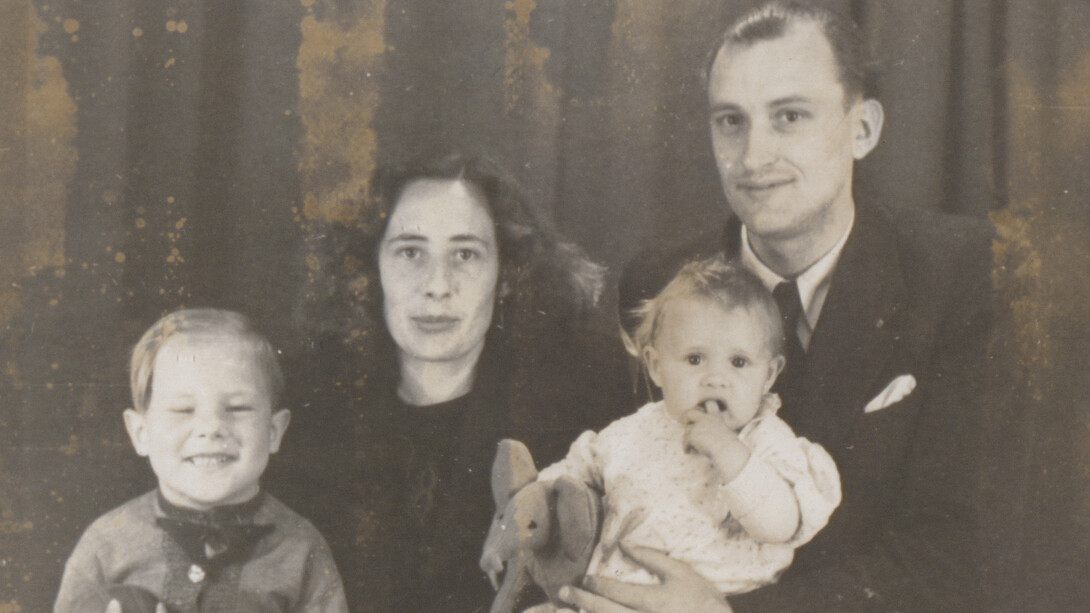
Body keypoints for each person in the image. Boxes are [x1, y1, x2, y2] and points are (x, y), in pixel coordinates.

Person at [572, 2, 995, 612]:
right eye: (730, 121)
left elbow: (954, 556)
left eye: (789, 116)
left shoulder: (962, 273)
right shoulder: (656, 282)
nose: (752, 156)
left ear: (863, 129)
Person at [272, 153, 634, 613]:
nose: (437, 285)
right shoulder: (308, 403)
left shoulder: (587, 391)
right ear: (370, 269)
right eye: (410, 252)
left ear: (505, 275)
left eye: (465, 254)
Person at [513, 257, 840, 611]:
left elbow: (778, 526)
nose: (716, 378)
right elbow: (572, 475)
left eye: (739, 362)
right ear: (656, 366)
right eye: (695, 359)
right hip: (607, 596)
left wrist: (729, 454)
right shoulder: (633, 432)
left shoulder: (766, 441)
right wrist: (535, 500)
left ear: (770, 375)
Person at [54, 309, 348, 613]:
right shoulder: (105, 544)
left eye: (237, 408)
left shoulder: (302, 548)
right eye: (183, 410)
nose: (211, 428)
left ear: (273, 431)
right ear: (141, 433)